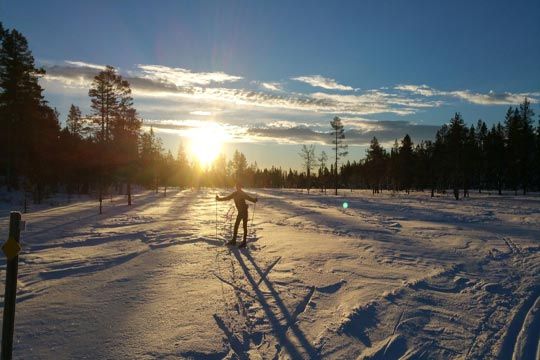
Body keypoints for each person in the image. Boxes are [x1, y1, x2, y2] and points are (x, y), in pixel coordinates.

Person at [216, 182, 258, 248]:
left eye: (238, 186)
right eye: (237, 186)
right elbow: (227, 198)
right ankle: (234, 240)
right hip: (241, 212)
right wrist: (219, 199)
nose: (237, 187)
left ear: (240, 187)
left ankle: (242, 242)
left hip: (244, 212)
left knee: (243, 226)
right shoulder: (234, 194)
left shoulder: (242, 193)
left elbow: (249, 198)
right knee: (237, 226)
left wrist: (254, 200)